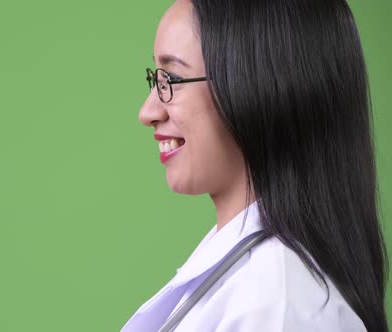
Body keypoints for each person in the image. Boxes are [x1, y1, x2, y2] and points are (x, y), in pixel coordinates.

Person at [121, 0, 388, 331]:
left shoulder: (278, 305)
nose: (147, 112)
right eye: (156, 79)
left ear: (262, 87)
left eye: (172, 78)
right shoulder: (255, 283)